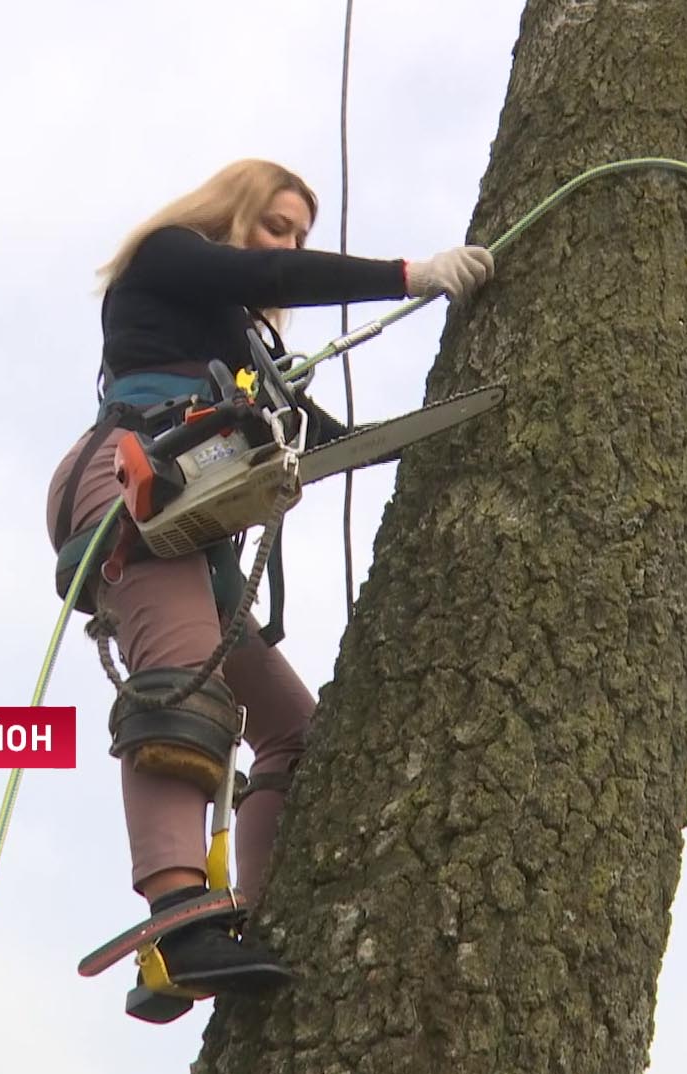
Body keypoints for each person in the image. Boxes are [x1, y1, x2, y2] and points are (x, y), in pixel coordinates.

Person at [45, 158, 494, 996]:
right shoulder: (168, 259)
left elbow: (317, 434)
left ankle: (254, 907)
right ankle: (179, 920)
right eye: (274, 224)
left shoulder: (246, 351)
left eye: (296, 233)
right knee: (178, 688)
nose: (285, 245)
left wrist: (418, 442)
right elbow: (268, 275)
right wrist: (409, 277)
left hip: (195, 525)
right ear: (232, 213)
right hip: (134, 486)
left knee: (292, 731)